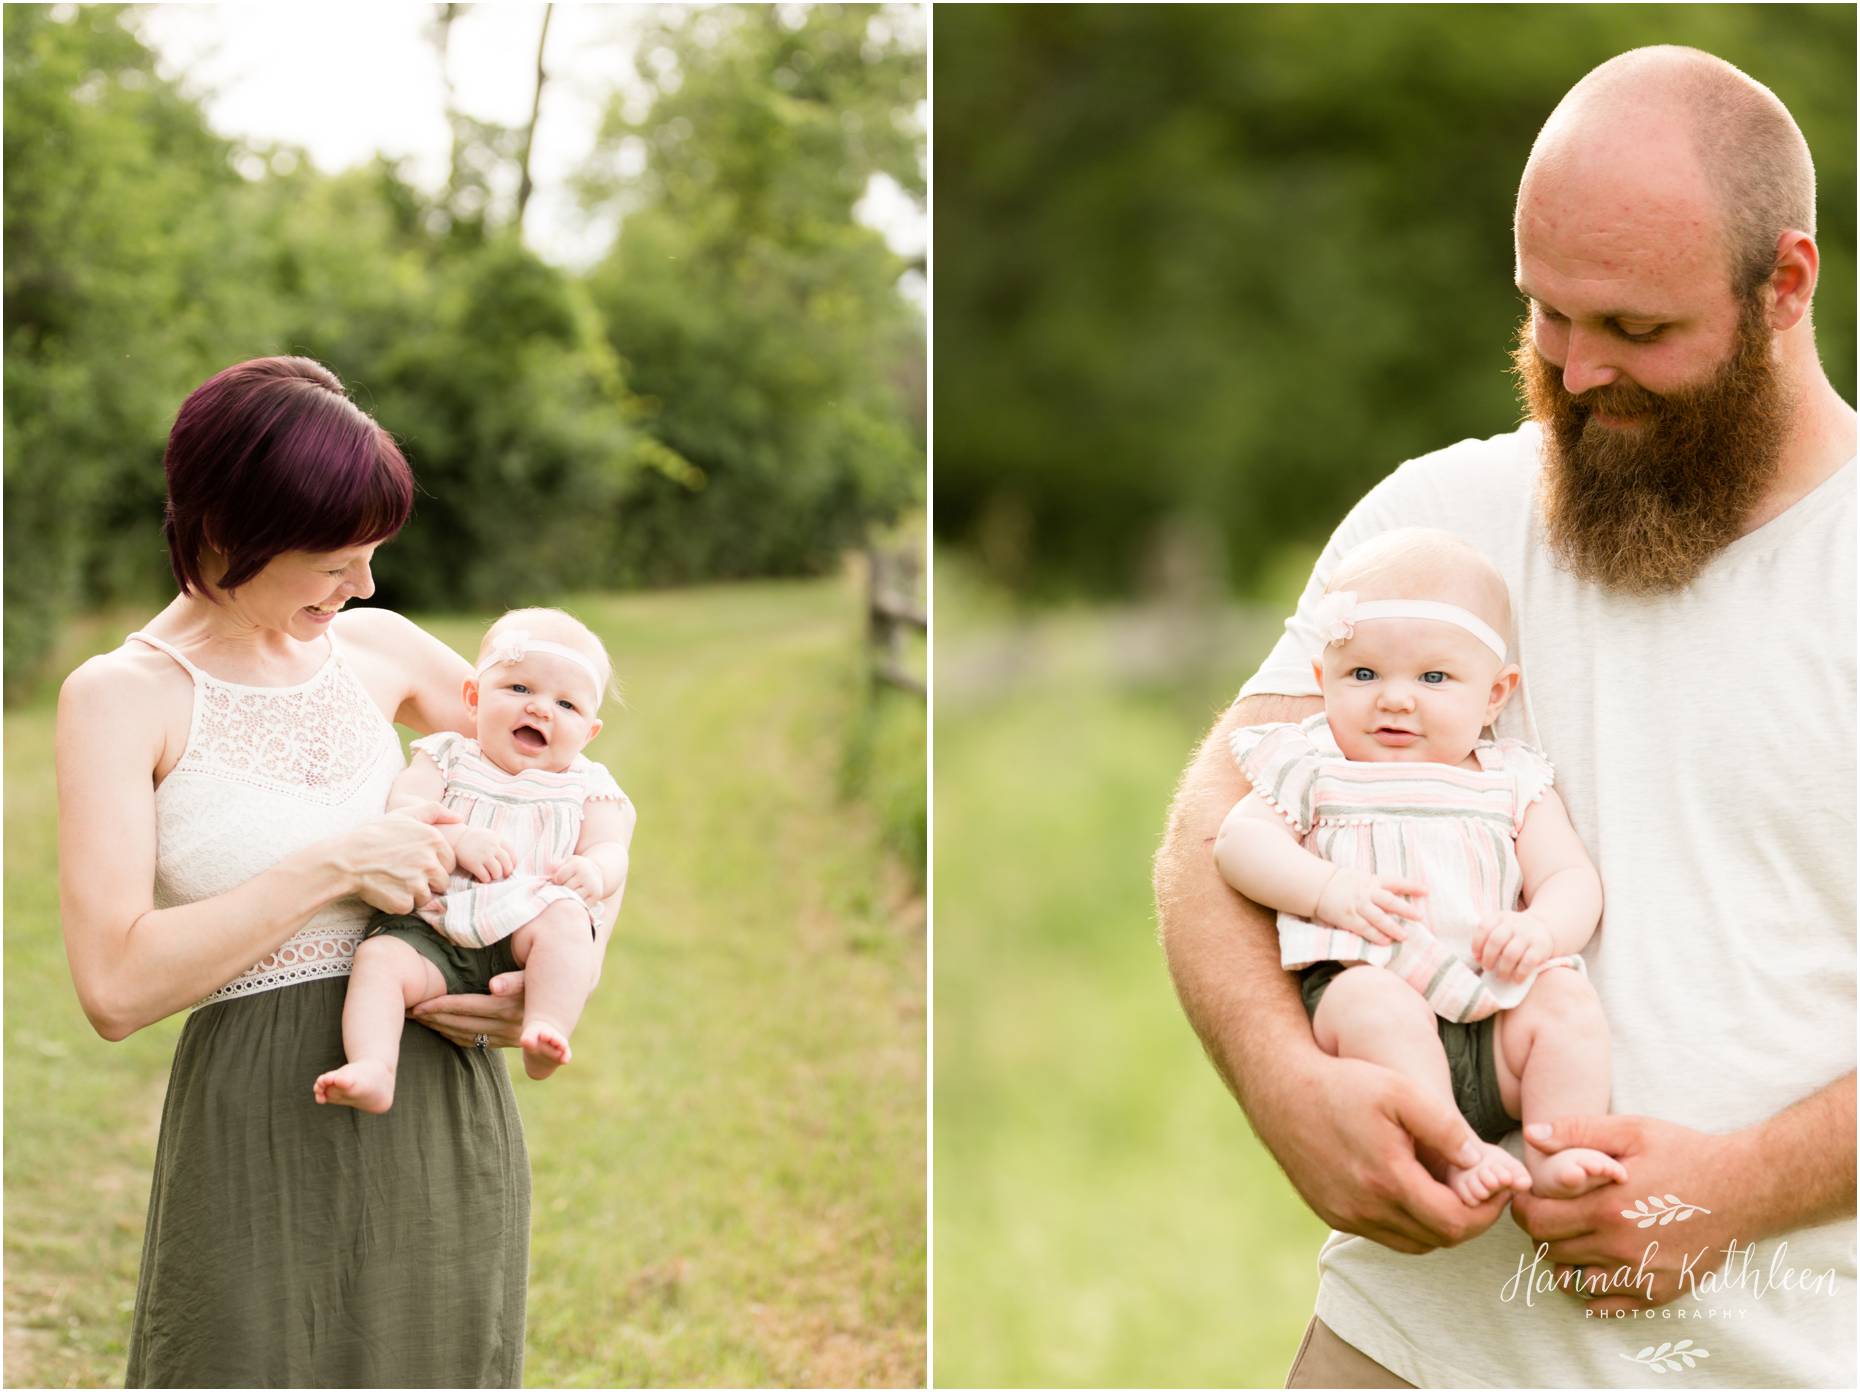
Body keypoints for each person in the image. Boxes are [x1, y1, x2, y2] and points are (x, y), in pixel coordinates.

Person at [1154, 46, 1855, 1388]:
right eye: (1547, 316)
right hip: (1402, 1355)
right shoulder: (1436, 520)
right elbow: (1218, 821)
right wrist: (1284, 1085)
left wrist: (1741, 1187)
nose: (1579, 373)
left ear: (1786, 284)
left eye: (1637, 331)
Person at [55, 355, 629, 1387]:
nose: (363, 585)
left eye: (370, 558)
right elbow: (114, 986)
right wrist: (336, 864)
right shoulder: (120, 696)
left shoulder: (380, 649)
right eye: (335, 561)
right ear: (231, 531)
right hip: (261, 1113)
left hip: (439, 1095)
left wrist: (553, 970)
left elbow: (574, 786)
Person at [1215, 529, 1622, 1207]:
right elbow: (1237, 845)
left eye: (1434, 677)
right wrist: (1329, 890)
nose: (1396, 699)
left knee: (1567, 1002)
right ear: (1323, 681)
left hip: (1495, 1011)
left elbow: (1571, 880)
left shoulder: (1510, 778)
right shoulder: (1316, 766)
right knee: (1372, 1001)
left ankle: (1561, 1152)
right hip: (1378, 1003)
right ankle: (1454, 1155)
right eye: (1364, 675)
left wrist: (1543, 933)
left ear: (1495, 696)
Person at [316, 607, 634, 1112]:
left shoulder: (588, 784)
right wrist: (457, 837)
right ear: (473, 697)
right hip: (434, 929)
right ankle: (373, 1065)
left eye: (567, 704)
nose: (541, 710)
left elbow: (611, 848)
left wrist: (594, 870)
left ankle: (545, 1027)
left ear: (589, 732)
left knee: (569, 923)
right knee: (378, 960)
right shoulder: (448, 756)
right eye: (520, 690)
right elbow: (406, 808)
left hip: (525, 930)